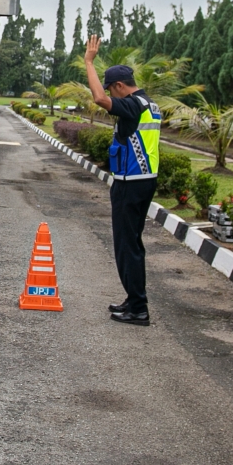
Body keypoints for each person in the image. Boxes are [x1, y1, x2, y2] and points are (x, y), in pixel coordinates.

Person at [84, 34, 161, 326]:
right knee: (132, 244)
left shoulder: (133, 105)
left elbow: (99, 99)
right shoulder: (150, 104)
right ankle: (133, 298)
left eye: (111, 89)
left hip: (131, 182)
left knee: (127, 246)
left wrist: (89, 62)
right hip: (144, 180)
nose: (110, 95)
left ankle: (138, 308)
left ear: (119, 85)